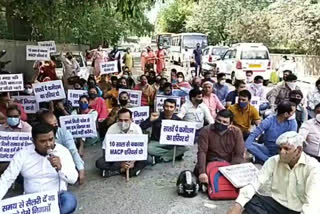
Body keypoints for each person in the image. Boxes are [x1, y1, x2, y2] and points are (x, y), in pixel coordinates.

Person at [227, 131, 320, 214]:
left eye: (286, 149)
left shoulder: (313, 168)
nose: (282, 152)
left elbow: (312, 203)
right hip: (276, 204)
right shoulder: (273, 160)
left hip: (298, 209)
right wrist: (237, 206)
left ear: (298, 150)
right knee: (249, 200)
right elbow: (255, 183)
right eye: (280, 149)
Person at [0, 123, 78, 214]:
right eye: (43, 141)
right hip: (32, 201)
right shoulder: (23, 154)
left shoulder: (63, 152)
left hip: (56, 197)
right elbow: (6, 179)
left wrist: (61, 168)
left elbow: (73, 179)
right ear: (33, 141)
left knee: (70, 202)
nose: (48, 144)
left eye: (51, 139)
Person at [194, 110, 245, 184]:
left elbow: (239, 153)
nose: (221, 123)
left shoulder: (236, 132)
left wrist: (230, 170)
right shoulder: (206, 130)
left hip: (228, 164)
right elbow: (202, 152)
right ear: (215, 118)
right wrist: (202, 172)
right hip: (209, 162)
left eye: (225, 122)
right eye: (219, 120)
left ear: (230, 124)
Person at [38, 111, 85, 185]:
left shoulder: (64, 133)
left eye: (56, 124)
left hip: (62, 163)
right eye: (51, 125)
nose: (55, 126)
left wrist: (81, 169)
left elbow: (73, 150)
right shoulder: (36, 137)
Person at [96, 108, 147, 177]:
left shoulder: (137, 129)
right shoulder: (112, 129)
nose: (123, 123)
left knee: (147, 158)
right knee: (100, 162)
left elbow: (141, 149)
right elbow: (105, 150)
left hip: (132, 157)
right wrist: (121, 164)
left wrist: (132, 162)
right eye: (120, 120)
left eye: (126, 120)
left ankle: (115, 171)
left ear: (131, 120)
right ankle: (123, 170)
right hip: (117, 158)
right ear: (117, 119)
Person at [0, 104, 32, 175]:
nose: (12, 118)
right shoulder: (1, 129)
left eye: (15, 116)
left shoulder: (27, 128)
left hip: (22, 161)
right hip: (6, 161)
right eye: (10, 116)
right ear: (6, 116)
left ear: (20, 116)